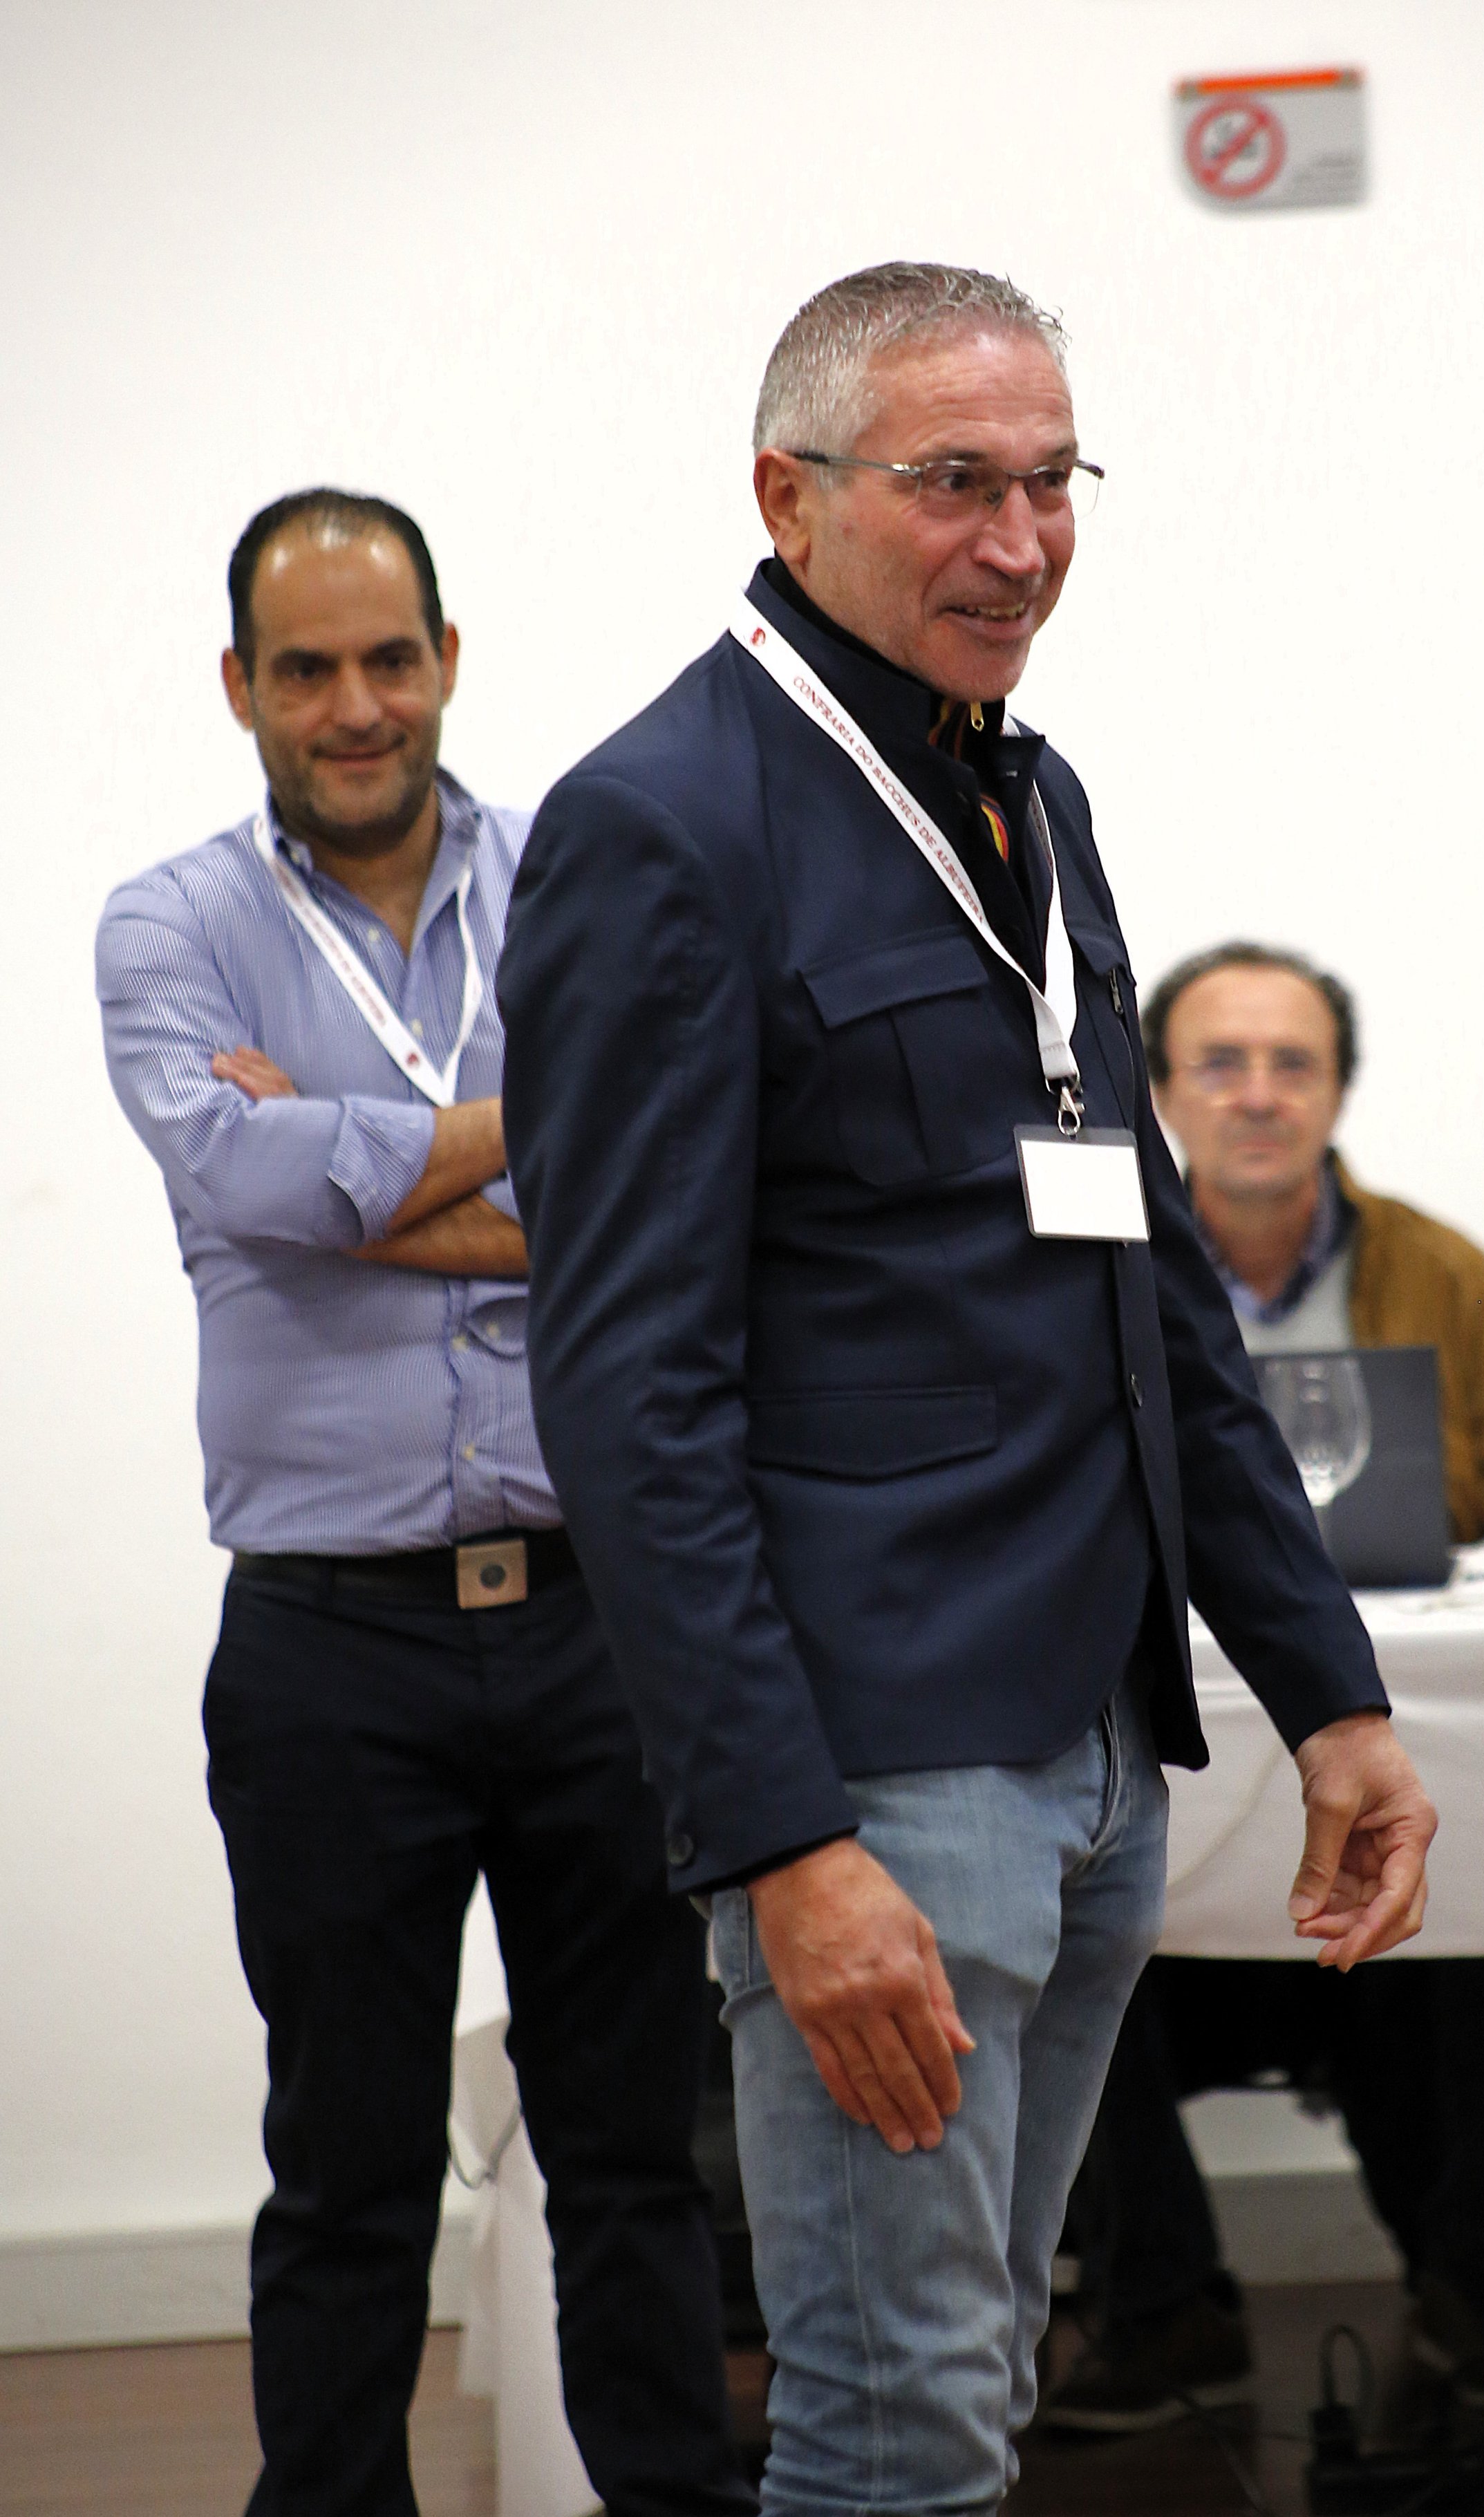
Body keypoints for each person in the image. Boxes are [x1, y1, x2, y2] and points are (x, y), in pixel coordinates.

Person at [497, 262, 1437, 2517]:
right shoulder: (665, 828)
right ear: (788, 495)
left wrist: (1332, 1689)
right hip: (882, 1778)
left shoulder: (1029, 798)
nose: (1018, 544)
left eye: (1050, 483)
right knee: (893, 2428)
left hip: (1093, 1747)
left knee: (973, 2387)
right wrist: (787, 1846)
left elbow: (1155, 1305)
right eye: (953, 487)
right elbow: (629, 1394)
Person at [95, 490, 754, 2517]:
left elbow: (669, 1176)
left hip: (597, 1617)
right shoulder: (170, 924)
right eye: (308, 668)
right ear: (242, 689)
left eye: (391, 658)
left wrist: (352, 1181)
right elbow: (234, 1181)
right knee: (349, 2167)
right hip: (331, 1645)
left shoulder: (583, 875)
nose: (356, 704)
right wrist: (515, 1164)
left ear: (449, 658)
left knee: (641, 2156)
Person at [1043, 940, 1484, 2433]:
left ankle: (1481, 2290)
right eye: (1218, 1064)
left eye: (1292, 1065)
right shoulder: (1082, 1267)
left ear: (1338, 1092)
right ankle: (1158, 2311)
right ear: (1155, 1094)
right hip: (1164, 1768)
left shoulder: (1446, 1273)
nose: (1257, 1097)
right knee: (1049, 1894)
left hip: (1374, 1737)